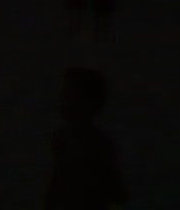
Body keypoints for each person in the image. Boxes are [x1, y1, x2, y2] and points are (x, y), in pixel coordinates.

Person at [44, 68, 126, 209]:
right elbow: (55, 183)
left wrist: (88, 182)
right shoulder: (60, 138)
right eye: (62, 96)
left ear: (88, 103)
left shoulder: (98, 142)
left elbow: (119, 194)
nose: (60, 102)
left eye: (68, 96)